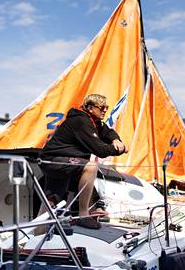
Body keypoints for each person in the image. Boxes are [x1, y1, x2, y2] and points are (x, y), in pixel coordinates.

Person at [39, 94, 127, 229]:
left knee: (51, 200)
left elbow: (107, 132)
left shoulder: (94, 122)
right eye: (102, 107)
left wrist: (116, 140)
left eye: (106, 107)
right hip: (54, 160)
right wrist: (120, 150)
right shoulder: (81, 121)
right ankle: (84, 215)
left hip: (57, 160)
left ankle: (35, 236)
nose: (105, 110)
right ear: (90, 108)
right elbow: (100, 150)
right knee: (90, 167)